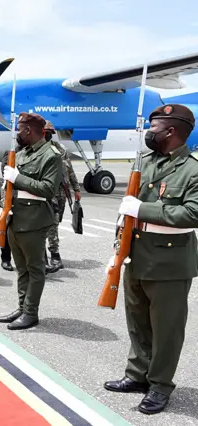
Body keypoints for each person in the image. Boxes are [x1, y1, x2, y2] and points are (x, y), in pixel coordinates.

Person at [103, 104, 198, 415]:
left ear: (171, 131)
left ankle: (159, 385)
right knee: (138, 323)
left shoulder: (193, 169)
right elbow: (128, 211)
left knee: (166, 329)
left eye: (154, 127)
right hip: (137, 255)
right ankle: (137, 375)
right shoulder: (145, 161)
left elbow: (191, 213)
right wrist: (119, 249)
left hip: (169, 263)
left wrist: (140, 210)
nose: (148, 132)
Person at [0, 112, 62, 331]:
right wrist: (4, 209)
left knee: (35, 269)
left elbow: (47, 189)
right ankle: (23, 307)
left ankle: (31, 313)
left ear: (30, 130)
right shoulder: (23, 154)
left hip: (34, 220)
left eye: (20, 129)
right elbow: (11, 186)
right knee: (21, 268)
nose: (17, 133)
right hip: (15, 217)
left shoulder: (50, 155)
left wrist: (18, 178)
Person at [44, 120, 81, 273]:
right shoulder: (34, 150)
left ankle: (52, 254)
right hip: (45, 192)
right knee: (50, 223)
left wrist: (76, 189)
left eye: (50, 133)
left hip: (60, 193)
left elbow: (69, 170)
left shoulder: (60, 149)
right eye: (45, 132)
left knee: (55, 222)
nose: (47, 135)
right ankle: (54, 255)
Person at [0, 148, 16, 272]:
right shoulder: (10, 153)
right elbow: (6, 175)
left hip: (29, 196)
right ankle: (5, 259)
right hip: (10, 194)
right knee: (6, 228)